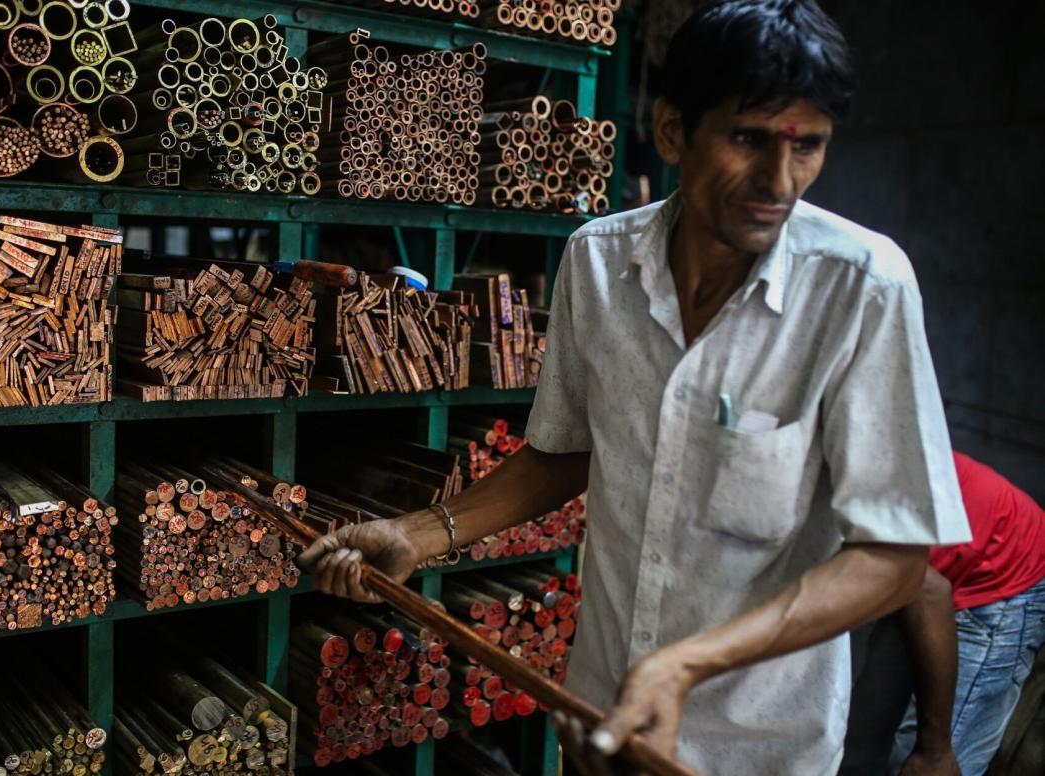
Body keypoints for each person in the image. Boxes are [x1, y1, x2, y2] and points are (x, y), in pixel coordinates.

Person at [299, 1, 971, 773]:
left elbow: (893, 557)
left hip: (757, 746)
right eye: (748, 139)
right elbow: (564, 453)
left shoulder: (860, 287)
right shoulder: (598, 263)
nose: (778, 182)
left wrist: (684, 666)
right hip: (601, 713)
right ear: (674, 129)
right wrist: (416, 534)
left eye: (808, 147)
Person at [842, 452, 1045, 776]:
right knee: (865, 735)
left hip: (1000, 573)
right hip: (922, 565)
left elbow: (929, 592)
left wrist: (935, 749)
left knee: (931, 760)